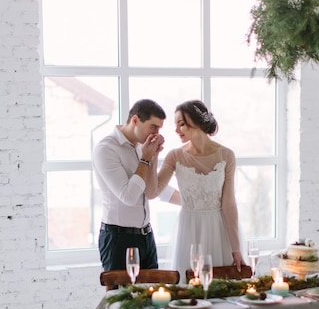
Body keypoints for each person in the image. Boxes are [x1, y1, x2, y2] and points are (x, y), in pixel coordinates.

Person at [147, 99, 245, 281]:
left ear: (198, 122)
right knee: (188, 292)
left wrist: (236, 248)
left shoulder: (226, 155)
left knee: (221, 289)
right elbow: (153, 192)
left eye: (181, 124)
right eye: (175, 125)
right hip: (189, 229)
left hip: (219, 229)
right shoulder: (175, 155)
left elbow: (229, 203)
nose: (176, 130)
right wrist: (153, 157)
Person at [93, 99, 166, 271]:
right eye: (153, 127)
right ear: (135, 121)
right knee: (120, 296)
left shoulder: (144, 147)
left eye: (159, 128)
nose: (156, 133)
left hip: (146, 235)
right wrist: (146, 158)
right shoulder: (106, 149)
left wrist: (153, 156)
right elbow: (129, 196)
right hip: (119, 238)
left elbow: (150, 192)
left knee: (152, 295)